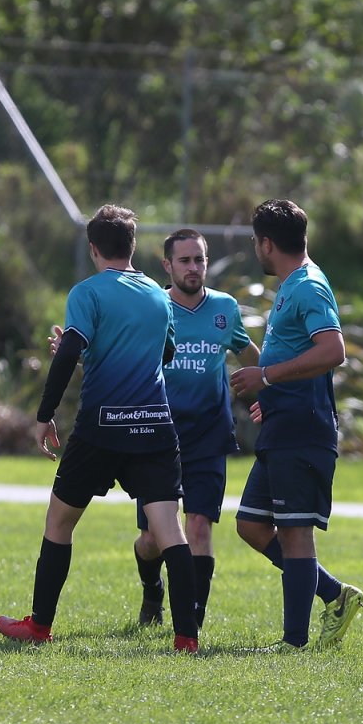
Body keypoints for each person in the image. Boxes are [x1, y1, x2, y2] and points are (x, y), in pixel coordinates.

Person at [0, 204, 202, 653]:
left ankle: (40, 626)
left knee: (59, 521)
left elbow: (71, 351)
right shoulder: (159, 296)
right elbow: (164, 356)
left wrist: (45, 414)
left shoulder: (86, 293)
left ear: (93, 248)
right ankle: (187, 636)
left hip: (100, 429)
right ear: (132, 246)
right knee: (170, 530)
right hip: (154, 425)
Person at [229, 199, 363, 650]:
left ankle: (293, 642)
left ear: (267, 243)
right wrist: (271, 396)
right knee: (251, 525)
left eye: (256, 242)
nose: (256, 249)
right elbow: (298, 354)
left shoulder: (308, 285)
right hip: (281, 424)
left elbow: (333, 351)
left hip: (304, 430)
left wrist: (266, 377)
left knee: (294, 531)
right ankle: (335, 594)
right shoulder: (292, 285)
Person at [120, 229, 258, 630]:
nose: (193, 268)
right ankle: (152, 590)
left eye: (199, 259)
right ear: (168, 265)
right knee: (153, 540)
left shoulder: (224, 308)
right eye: (184, 261)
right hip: (158, 437)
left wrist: (270, 384)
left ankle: (191, 625)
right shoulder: (153, 307)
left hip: (209, 435)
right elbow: (119, 353)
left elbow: (249, 354)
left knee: (198, 526)